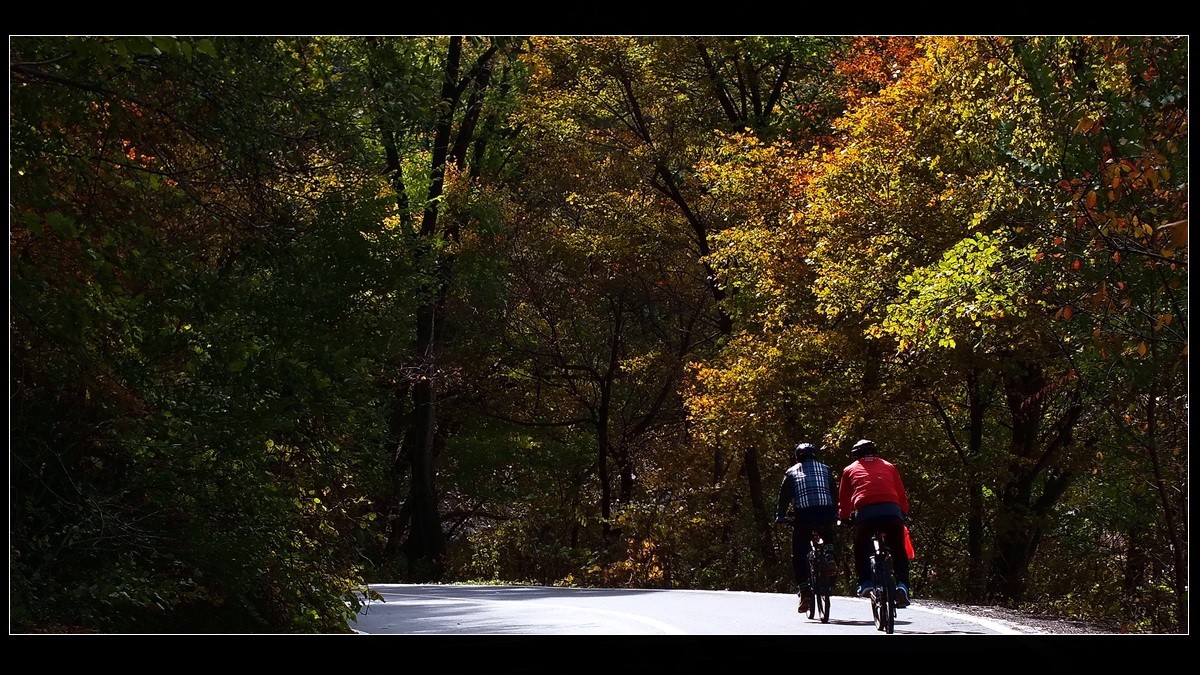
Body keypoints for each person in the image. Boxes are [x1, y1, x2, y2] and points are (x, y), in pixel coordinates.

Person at [838, 438, 911, 607]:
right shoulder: (889, 466)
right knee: (898, 549)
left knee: (861, 545)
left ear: (856, 455)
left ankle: (865, 582)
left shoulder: (849, 470)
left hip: (866, 513)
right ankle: (902, 585)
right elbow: (901, 493)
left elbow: (844, 500)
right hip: (892, 511)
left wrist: (844, 517)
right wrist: (903, 513)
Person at [775, 441, 839, 614]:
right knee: (827, 531)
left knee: (799, 553)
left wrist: (780, 516)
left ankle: (805, 593)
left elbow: (784, 497)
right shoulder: (826, 469)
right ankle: (829, 553)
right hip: (826, 510)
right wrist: (836, 512)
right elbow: (833, 492)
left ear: (797, 457)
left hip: (804, 514)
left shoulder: (791, 472)